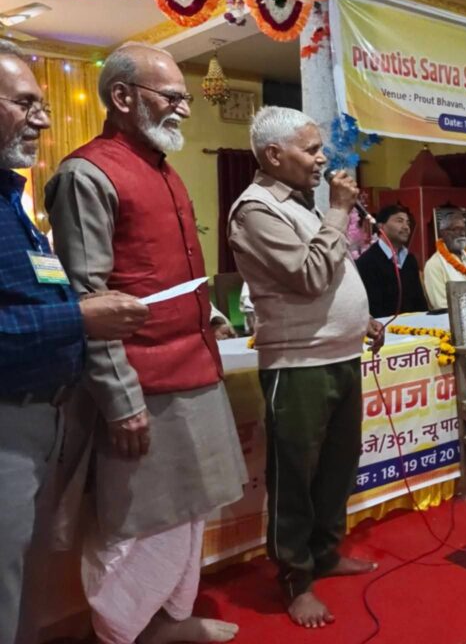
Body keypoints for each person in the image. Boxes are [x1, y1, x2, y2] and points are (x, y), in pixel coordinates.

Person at [45, 42, 246, 644]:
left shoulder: (163, 166)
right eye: (172, 97)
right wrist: (120, 399)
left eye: (185, 98)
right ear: (123, 97)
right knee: (141, 524)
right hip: (143, 384)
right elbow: (88, 300)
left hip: (196, 369)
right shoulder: (86, 174)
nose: (184, 108)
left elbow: (169, 270)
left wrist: (209, 312)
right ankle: (120, 632)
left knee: (189, 511)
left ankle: (170, 621)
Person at [0, 39, 148, 644]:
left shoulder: (11, 200)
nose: (43, 119)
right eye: (25, 104)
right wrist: (79, 320)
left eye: (41, 104)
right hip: (8, 423)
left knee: (23, 578)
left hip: (44, 419)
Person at [228, 107, 381, 629]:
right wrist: (338, 211)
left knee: (338, 466)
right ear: (274, 155)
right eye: (310, 149)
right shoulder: (255, 210)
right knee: (296, 474)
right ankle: (295, 577)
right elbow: (311, 275)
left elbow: (331, 275)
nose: (321, 159)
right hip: (298, 365)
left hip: (340, 355)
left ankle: (325, 553)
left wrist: (359, 319)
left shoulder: (300, 205)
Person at [355, 203, 428, 317]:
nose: (406, 227)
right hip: (384, 325)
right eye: (399, 221)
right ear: (381, 226)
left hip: (414, 324)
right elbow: (371, 307)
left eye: (408, 223)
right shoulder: (367, 261)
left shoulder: (410, 259)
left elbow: (420, 302)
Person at [422, 208, 466, 309]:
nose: (462, 234)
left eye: (464, 229)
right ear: (443, 233)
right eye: (456, 229)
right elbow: (441, 305)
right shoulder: (434, 265)